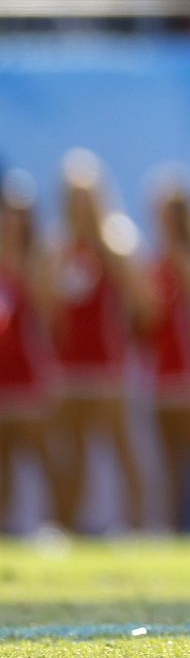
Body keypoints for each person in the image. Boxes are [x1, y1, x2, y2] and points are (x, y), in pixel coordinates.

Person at [46, 150, 147, 533]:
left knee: (119, 442)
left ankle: (139, 523)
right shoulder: (58, 247)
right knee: (70, 449)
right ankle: (66, 526)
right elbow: (48, 306)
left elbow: (141, 302)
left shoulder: (116, 241)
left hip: (107, 362)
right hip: (69, 363)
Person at [0, 174, 58, 534]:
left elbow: (48, 313)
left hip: (30, 367)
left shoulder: (41, 259)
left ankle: (57, 524)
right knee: (3, 458)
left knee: (41, 451)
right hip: (2, 369)